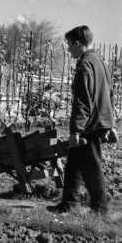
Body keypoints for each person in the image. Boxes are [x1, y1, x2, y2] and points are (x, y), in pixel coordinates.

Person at [47, 25, 116, 216]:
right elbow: (111, 96)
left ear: (77, 43)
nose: (68, 49)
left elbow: (83, 101)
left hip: (89, 125)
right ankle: (68, 204)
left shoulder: (85, 65)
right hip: (99, 121)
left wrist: (75, 131)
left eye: (69, 45)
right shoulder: (100, 62)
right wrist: (111, 124)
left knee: (92, 167)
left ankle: (101, 211)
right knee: (74, 165)